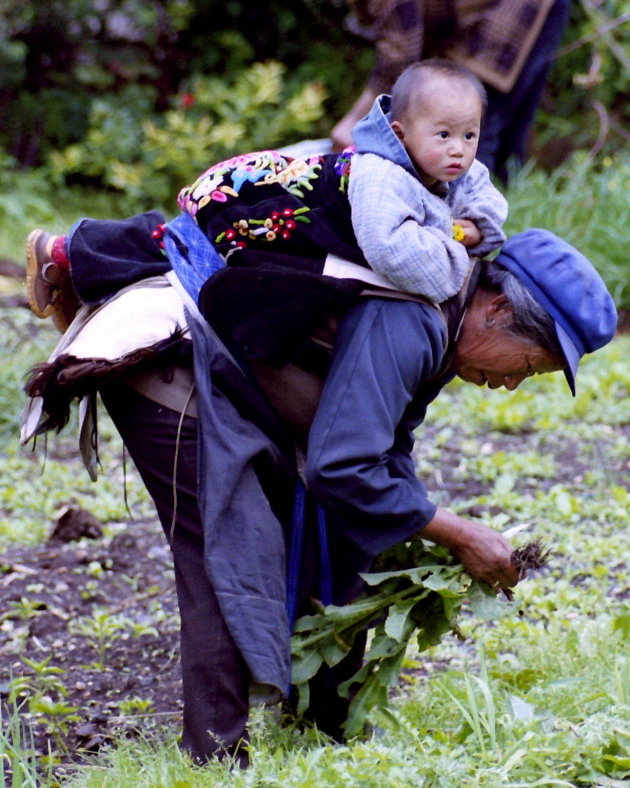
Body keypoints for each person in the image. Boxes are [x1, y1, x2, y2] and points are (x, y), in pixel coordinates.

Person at [21, 207, 617, 766]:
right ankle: (213, 756)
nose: (513, 384)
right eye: (529, 364)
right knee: (233, 547)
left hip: (236, 385)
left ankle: (322, 725)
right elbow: (341, 468)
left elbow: (381, 453)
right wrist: (456, 533)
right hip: (172, 359)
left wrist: (416, 525)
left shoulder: (445, 318)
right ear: (497, 312)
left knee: (352, 534)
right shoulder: (413, 318)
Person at [26, 60, 507, 331]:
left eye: (469, 135)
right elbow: (395, 252)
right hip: (258, 199)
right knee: (180, 246)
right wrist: (455, 246)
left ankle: (81, 272)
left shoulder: (451, 166)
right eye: (443, 135)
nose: (459, 151)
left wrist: (477, 227)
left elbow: (486, 201)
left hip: (296, 221)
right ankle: (63, 253)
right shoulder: (381, 175)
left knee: (182, 248)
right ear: (401, 134)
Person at [332, 0, 571, 181]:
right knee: (490, 135)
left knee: (470, 121)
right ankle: (498, 223)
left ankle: (472, 229)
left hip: (512, 11)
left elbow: (401, 53)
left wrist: (355, 121)